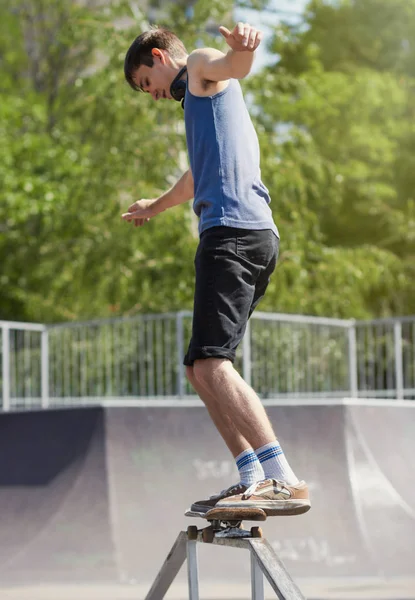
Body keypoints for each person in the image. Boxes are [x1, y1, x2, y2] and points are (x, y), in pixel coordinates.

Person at [122, 23, 310, 516]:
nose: (153, 95)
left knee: (211, 365)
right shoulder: (201, 112)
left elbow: (228, 68)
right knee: (197, 369)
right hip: (247, 236)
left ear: (160, 57)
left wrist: (242, 50)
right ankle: (249, 474)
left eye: (147, 83)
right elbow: (195, 176)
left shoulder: (201, 68)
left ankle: (281, 478)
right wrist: (155, 206)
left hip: (232, 235)